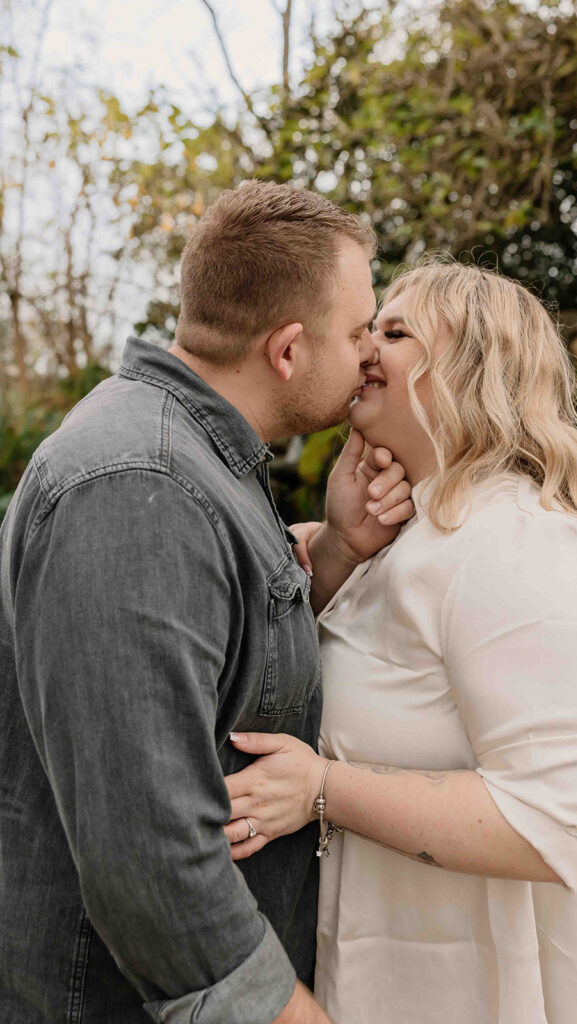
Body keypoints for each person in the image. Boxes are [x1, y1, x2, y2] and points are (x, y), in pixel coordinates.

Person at [0, 181, 414, 1024]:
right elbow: (147, 851)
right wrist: (286, 1012)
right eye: (357, 329)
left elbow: (228, 674)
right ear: (289, 350)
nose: (370, 351)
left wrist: (332, 554)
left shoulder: (198, 458)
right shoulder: (136, 483)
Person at [222, 259, 577, 1024]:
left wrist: (322, 788)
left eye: (393, 333)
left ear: (474, 370)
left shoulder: (527, 550)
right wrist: (340, 545)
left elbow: (558, 823)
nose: (363, 348)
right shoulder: (402, 537)